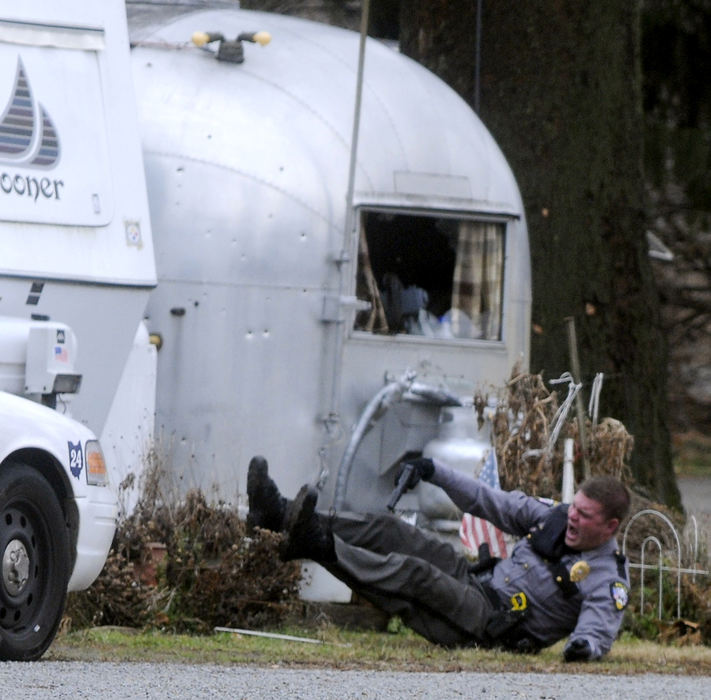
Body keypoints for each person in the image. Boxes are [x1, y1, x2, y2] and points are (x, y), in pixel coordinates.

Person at [246, 454, 631, 661]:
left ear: (610, 526)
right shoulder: (555, 516)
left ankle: (318, 544)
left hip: (492, 628)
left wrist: (584, 648)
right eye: (575, 508)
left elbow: (598, 629)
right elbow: (487, 501)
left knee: (416, 574)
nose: (573, 519)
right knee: (394, 531)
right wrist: (434, 471)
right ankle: (277, 513)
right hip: (476, 584)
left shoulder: (606, 577)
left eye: (585, 515)